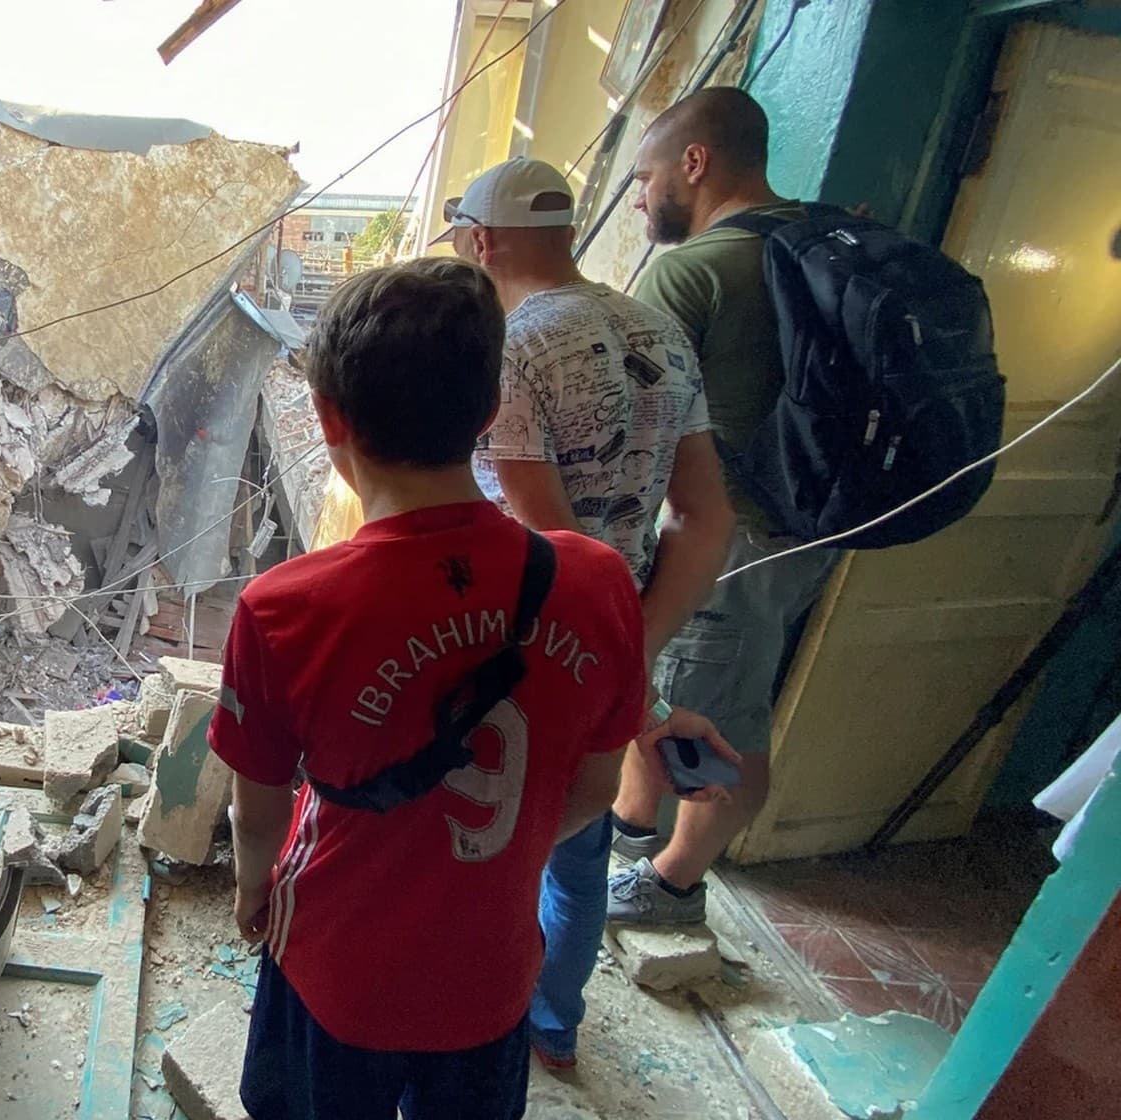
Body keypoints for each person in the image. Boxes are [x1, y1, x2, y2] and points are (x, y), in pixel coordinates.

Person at [209, 256, 716, 1120]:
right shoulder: (594, 583)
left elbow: (256, 810)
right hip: (490, 979)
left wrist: (255, 886)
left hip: (335, 971)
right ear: (487, 415)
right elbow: (594, 788)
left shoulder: (284, 608)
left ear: (329, 417)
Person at [437, 157, 739, 1069]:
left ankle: (461, 1015)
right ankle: (553, 1024)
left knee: (480, 837)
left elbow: (549, 544)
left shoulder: (511, 346)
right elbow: (705, 516)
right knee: (581, 843)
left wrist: (605, 659)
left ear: (482, 241)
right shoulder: (662, 332)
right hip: (611, 636)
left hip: (510, 642)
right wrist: (632, 651)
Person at [610, 87, 845, 924]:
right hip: (804, 527)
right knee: (689, 689)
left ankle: (671, 885)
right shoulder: (819, 239)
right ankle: (634, 838)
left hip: (728, 534)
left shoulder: (693, 269)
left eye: (645, 176)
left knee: (711, 717)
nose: (639, 196)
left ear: (696, 164)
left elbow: (637, 424)